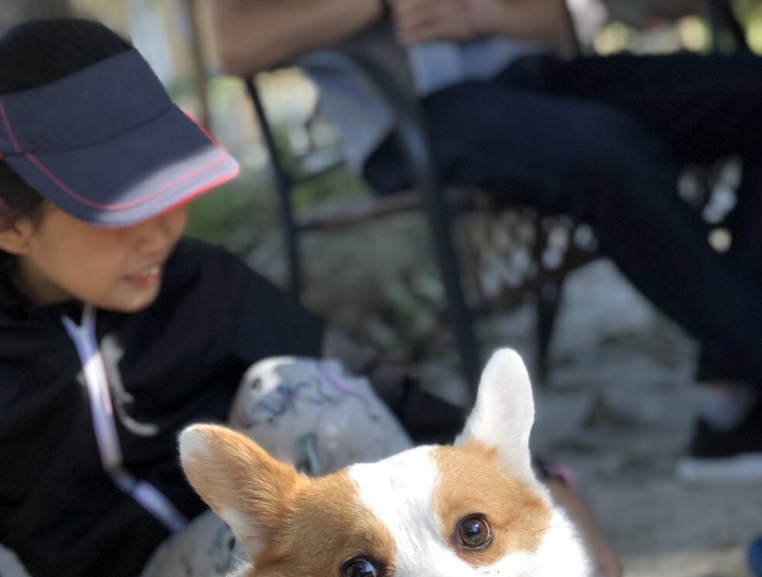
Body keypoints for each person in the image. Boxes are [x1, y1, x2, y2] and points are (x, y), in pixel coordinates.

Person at [0, 17, 617, 577]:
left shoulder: (199, 281)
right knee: (278, 554)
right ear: (5, 224)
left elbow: (370, 384)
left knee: (300, 390)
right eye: (119, 208)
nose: (162, 227)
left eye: (168, 187)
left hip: (329, 576)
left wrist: (547, 484)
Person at [210, 0, 762, 483]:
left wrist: (480, 15)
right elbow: (235, 46)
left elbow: (554, 22)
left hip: (541, 77)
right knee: (603, 152)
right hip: (415, 117)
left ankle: (732, 397)